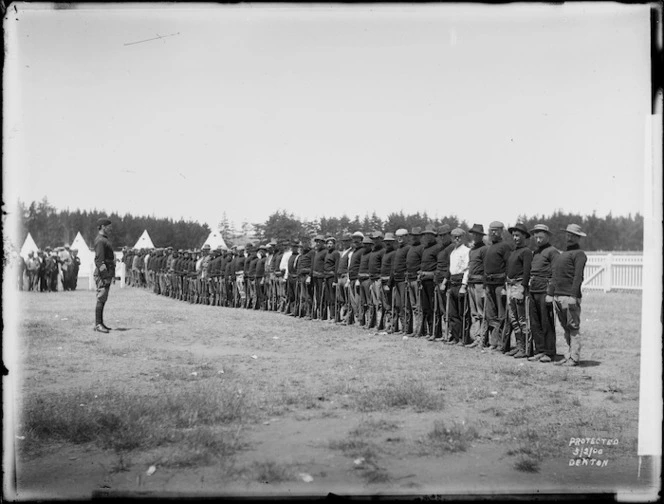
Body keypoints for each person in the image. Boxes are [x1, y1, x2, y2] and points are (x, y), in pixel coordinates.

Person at [553, 224, 588, 367]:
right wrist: (551, 293)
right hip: (558, 295)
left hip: (569, 296)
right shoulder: (563, 254)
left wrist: (573, 296)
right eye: (568, 234)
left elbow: (578, 276)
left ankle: (574, 357)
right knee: (565, 326)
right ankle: (568, 355)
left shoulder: (579, 254)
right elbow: (555, 275)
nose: (569, 237)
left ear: (578, 237)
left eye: (573, 235)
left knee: (573, 327)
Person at [527, 224, 560, 363]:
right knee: (535, 322)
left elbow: (556, 273)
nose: (538, 240)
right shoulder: (536, 252)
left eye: (541, 237)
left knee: (546, 322)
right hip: (533, 290)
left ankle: (549, 352)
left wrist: (550, 293)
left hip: (544, 290)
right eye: (536, 237)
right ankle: (539, 350)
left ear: (547, 236)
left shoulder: (553, 252)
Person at [483, 221, 513, 351]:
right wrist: (485, 285)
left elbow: (509, 266)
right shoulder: (490, 247)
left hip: (500, 285)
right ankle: (494, 342)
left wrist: (506, 287)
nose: (493, 232)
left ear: (502, 231)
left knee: (502, 315)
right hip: (489, 285)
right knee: (491, 315)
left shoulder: (505, 246)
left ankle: (503, 344)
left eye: (496, 230)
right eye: (491, 230)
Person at [505, 223, 533, 358]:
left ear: (524, 237)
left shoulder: (526, 252)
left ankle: (526, 349)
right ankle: (519, 346)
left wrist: (523, 287)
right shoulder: (513, 251)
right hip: (510, 286)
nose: (515, 238)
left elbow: (527, 272)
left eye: (518, 235)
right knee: (513, 319)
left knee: (522, 319)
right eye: (514, 236)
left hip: (519, 286)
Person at [444, 228, 472, 345]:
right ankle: (455, 336)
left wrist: (464, 285)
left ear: (463, 237)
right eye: (454, 237)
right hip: (453, 282)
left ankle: (464, 338)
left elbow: (467, 269)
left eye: (459, 236)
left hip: (461, 282)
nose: (457, 239)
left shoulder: (466, 251)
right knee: (453, 313)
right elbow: (451, 270)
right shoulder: (453, 252)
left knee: (463, 313)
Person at [465, 224, 488, 348]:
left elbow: (486, 268)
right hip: (471, 283)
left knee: (481, 312)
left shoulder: (484, 249)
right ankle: (477, 337)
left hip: (480, 284)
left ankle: (483, 339)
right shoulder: (472, 250)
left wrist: (485, 287)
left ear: (481, 236)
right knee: (474, 313)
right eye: (473, 234)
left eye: (478, 234)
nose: (475, 236)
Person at [93, 218, 115, 333]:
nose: (110, 229)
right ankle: (98, 324)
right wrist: (105, 275)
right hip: (103, 274)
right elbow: (99, 261)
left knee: (103, 298)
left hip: (106, 273)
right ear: (102, 226)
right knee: (101, 297)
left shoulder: (104, 239)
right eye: (108, 226)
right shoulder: (101, 241)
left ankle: (100, 322)